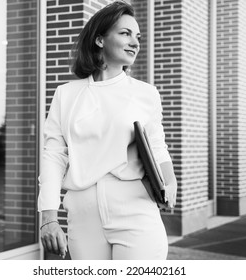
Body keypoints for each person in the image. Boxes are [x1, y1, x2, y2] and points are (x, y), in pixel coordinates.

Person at [38, 0, 177, 260]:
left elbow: (156, 145)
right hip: (82, 212)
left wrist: (170, 182)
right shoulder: (66, 95)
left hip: (134, 206)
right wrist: (48, 217)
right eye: (125, 33)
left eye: (137, 36)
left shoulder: (146, 93)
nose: (135, 42)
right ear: (100, 39)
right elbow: (54, 155)